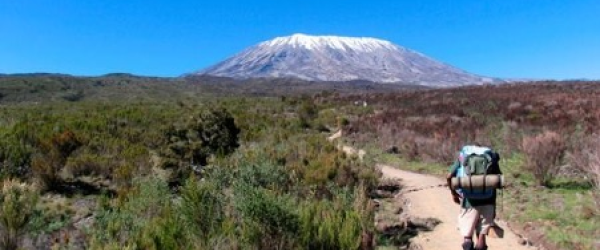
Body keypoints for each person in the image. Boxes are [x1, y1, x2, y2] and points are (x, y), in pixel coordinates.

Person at [446, 145, 502, 250]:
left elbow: (449, 176)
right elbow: (497, 182)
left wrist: (453, 193)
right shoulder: (491, 157)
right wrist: (494, 207)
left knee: (467, 236)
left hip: (469, 201)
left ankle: (468, 243)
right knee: (481, 236)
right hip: (488, 201)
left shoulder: (463, 156)